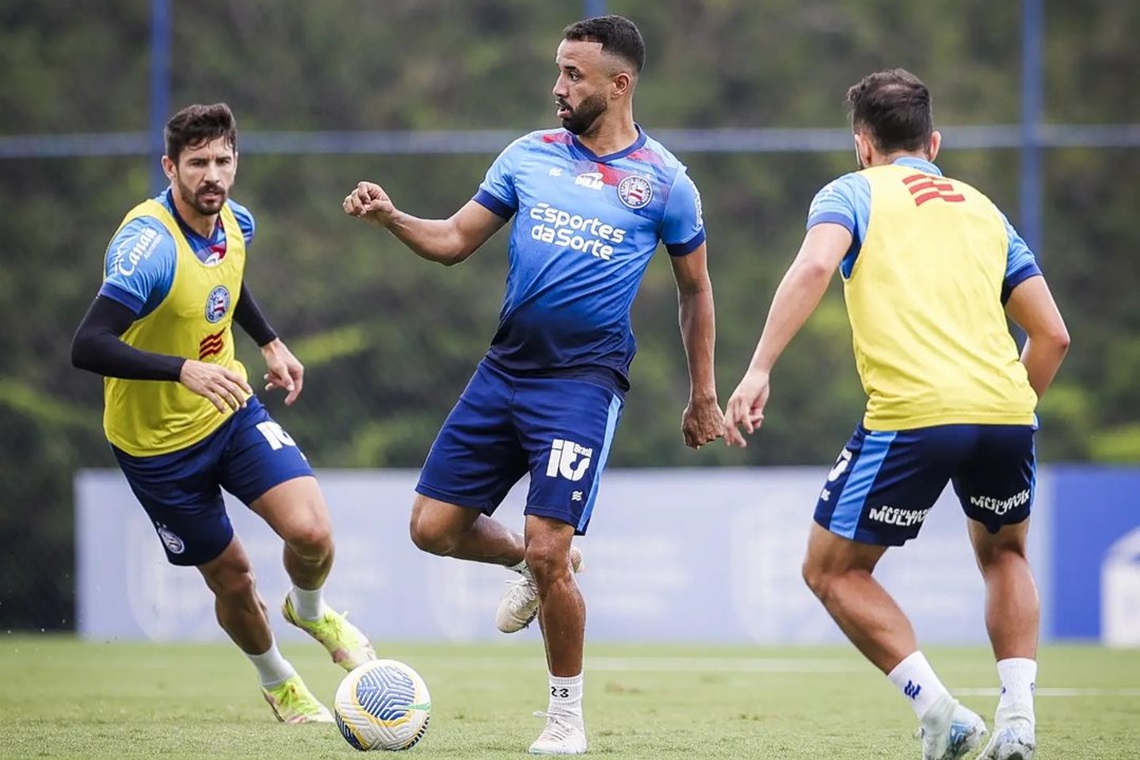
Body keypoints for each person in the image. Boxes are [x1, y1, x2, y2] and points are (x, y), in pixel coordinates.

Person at [344, 14, 722, 755]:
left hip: (583, 384)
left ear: (619, 84)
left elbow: (696, 291)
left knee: (551, 548)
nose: (558, 86)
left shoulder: (667, 184)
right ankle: (531, 559)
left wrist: (702, 391)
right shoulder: (529, 155)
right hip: (505, 370)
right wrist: (391, 217)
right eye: (558, 70)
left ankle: (564, 720)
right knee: (432, 529)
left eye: (574, 75)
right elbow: (454, 240)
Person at [723, 69, 1068, 760]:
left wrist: (758, 367)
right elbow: (1053, 335)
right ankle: (1020, 720)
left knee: (831, 571)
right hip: (1006, 405)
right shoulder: (982, 207)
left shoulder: (851, 191)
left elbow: (817, 267)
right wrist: (1006, 408)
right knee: (1004, 553)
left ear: (863, 145)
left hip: (914, 411)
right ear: (933, 142)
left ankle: (941, 712)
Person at [71, 103, 376, 724]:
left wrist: (269, 340)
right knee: (233, 577)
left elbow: (226, 285)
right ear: (170, 167)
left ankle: (310, 611)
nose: (212, 174)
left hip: (229, 410)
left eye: (222, 160)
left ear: (236, 161)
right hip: (155, 447)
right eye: (197, 163)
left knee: (312, 534)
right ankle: (278, 681)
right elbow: (88, 345)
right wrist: (181, 368)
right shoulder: (148, 247)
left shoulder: (237, 222)